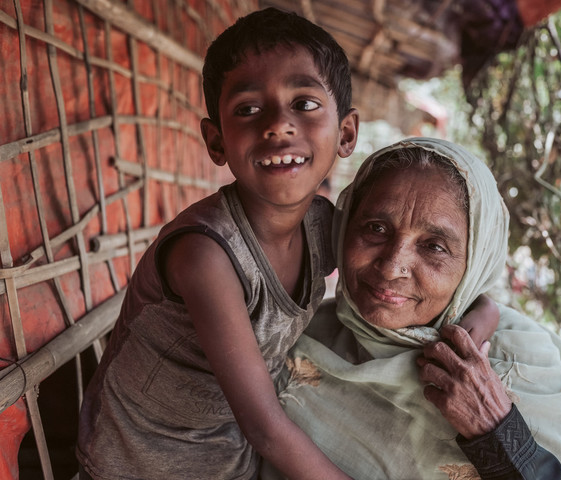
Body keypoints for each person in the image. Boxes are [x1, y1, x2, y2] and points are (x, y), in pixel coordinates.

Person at [76, 9, 496, 480]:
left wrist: (483, 314)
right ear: (216, 141)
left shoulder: (322, 228)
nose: (278, 124)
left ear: (346, 134)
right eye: (248, 109)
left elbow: (399, 269)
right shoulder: (206, 256)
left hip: (227, 458)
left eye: (305, 103)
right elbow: (265, 427)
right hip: (136, 462)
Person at [262, 137, 561, 479]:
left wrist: (497, 432)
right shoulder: (298, 333)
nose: (392, 266)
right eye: (376, 228)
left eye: (434, 247)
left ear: (475, 262)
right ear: (345, 225)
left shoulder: (517, 363)